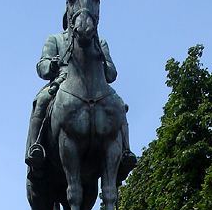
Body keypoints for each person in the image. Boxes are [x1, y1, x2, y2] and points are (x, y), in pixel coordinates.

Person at [25, 18, 137, 182]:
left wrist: (103, 64)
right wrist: (52, 65)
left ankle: (126, 151)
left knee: (119, 104)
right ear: (68, 20)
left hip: (95, 85)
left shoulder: (100, 42)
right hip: (62, 80)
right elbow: (42, 66)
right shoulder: (54, 39)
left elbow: (111, 74)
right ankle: (36, 148)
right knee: (41, 101)